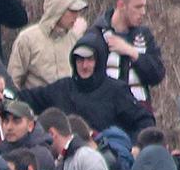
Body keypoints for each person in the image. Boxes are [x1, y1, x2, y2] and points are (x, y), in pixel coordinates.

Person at [18, 34, 155, 140]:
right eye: (80, 60)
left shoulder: (116, 90)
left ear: (99, 61)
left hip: (106, 156)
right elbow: (26, 99)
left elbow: (144, 121)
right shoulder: (62, 88)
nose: (84, 66)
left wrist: (134, 147)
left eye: (90, 60)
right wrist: (2, 95)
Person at [7, 0, 86, 89]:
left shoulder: (74, 39)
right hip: (35, 103)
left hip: (68, 103)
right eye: (72, 11)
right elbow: (13, 80)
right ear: (58, 10)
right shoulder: (27, 39)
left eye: (78, 11)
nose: (76, 16)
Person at [40, 107, 108, 170]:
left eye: (42, 139)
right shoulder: (56, 164)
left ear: (52, 133)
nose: (40, 145)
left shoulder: (87, 157)